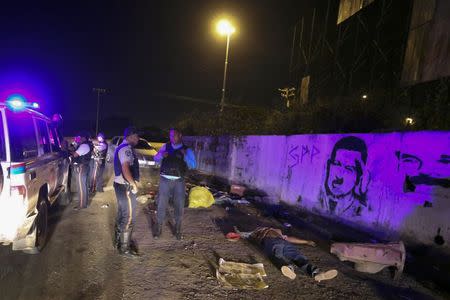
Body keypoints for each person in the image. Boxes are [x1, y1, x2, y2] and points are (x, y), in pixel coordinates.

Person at [236, 226, 338, 282]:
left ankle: (315, 273)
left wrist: (306, 242)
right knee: (287, 256)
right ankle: (305, 271)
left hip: (279, 242)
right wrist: (238, 232)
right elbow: (246, 234)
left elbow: (289, 238)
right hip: (276, 242)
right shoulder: (260, 231)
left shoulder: (271, 232)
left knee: (289, 256)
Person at [153, 128, 196, 240]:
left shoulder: (187, 150)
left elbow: (193, 165)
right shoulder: (165, 147)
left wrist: (185, 156)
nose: (172, 138)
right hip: (165, 180)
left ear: (180, 135)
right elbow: (155, 158)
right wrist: (162, 154)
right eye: (171, 136)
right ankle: (158, 228)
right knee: (162, 203)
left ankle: (177, 228)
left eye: (174, 136)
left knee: (179, 205)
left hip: (179, 181)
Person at [320, 136, 370, 217]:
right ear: (328, 167)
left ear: (359, 178)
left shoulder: (359, 212)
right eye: (336, 164)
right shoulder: (319, 198)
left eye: (348, 169)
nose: (338, 176)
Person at [113, 127, 140, 257]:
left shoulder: (123, 147)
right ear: (129, 136)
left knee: (122, 214)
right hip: (125, 187)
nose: (138, 139)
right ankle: (124, 248)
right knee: (128, 216)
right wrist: (133, 184)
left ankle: (118, 241)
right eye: (136, 136)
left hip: (121, 186)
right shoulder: (125, 149)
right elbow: (125, 168)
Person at [70, 132, 93, 210]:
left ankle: (82, 205)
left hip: (82, 167)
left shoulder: (84, 145)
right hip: (85, 167)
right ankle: (84, 203)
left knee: (81, 187)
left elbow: (75, 155)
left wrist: (70, 152)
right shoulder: (87, 144)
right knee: (84, 186)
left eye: (80, 138)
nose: (78, 139)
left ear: (83, 138)